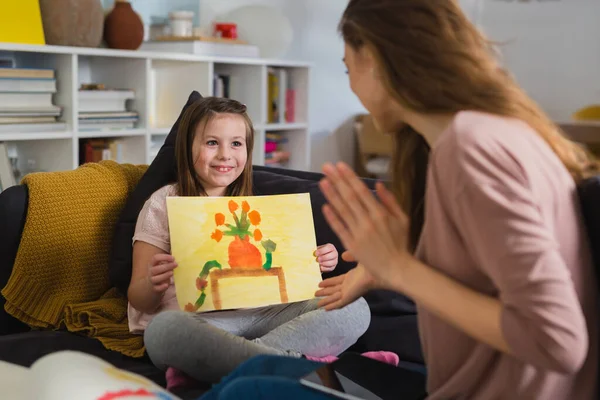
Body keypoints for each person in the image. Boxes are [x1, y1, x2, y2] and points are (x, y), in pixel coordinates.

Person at [197, 0, 600, 399]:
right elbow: (489, 269)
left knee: (245, 392)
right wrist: (384, 269)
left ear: (371, 56)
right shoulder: (483, 135)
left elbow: (556, 340)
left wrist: (402, 270)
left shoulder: (472, 147)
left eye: (347, 66)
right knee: (257, 376)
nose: (351, 83)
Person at [126, 96, 375, 386]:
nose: (225, 155)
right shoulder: (163, 203)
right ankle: (286, 365)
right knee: (163, 331)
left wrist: (318, 259)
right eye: (211, 143)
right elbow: (138, 297)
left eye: (236, 143)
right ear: (187, 148)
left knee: (355, 306)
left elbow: (289, 275)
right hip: (202, 323)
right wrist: (153, 283)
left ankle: (255, 364)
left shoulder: (253, 207)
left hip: (266, 315)